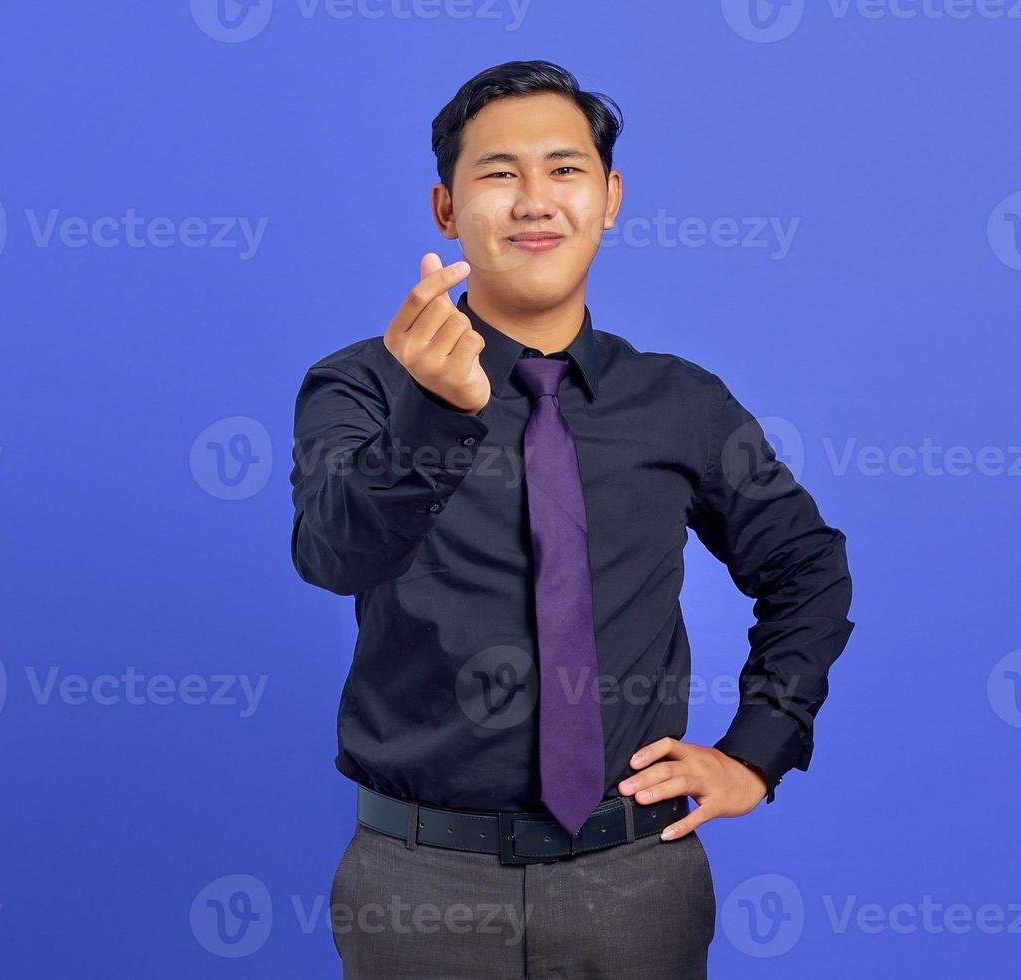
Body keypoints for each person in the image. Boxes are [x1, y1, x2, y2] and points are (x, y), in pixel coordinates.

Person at [289, 59, 854, 979]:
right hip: (420, 884)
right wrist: (434, 411)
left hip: (635, 881)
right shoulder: (364, 382)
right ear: (446, 208)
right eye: (499, 174)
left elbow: (807, 569)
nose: (534, 201)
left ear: (610, 197)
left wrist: (757, 752)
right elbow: (332, 553)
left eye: (564, 169)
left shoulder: (681, 403)